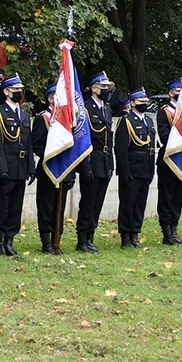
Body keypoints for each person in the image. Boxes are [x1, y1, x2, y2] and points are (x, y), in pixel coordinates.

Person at [0, 74, 35, 256]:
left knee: (16, 206)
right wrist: (1, 168)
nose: (19, 93)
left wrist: (31, 167)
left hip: (21, 166)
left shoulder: (24, 115)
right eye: (15, 90)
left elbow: (28, 143)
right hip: (6, 165)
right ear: (6, 92)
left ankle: (10, 239)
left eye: (20, 90)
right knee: (1, 205)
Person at [32, 84, 74, 254]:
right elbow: (37, 145)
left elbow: (72, 148)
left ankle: (57, 239)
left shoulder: (68, 121)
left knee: (59, 207)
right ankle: (46, 242)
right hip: (48, 168)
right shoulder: (43, 119)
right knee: (46, 206)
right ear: (50, 99)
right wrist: (52, 156)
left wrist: (70, 172)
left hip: (63, 170)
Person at [76, 71, 114, 253]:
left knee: (97, 202)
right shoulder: (85, 109)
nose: (107, 89)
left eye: (107, 87)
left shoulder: (106, 108)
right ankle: (82, 239)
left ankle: (91, 236)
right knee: (88, 202)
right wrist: (85, 167)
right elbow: (82, 140)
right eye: (103, 87)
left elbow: (109, 138)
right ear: (94, 88)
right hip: (91, 162)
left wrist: (111, 163)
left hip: (105, 162)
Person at [114, 88, 156, 248]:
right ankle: (125, 236)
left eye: (145, 102)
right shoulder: (126, 121)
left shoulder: (149, 121)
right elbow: (121, 148)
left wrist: (152, 170)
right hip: (132, 169)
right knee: (128, 203)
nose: (143, 104)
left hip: (146, 168)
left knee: (140, 203)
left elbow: (151, 148)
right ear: (132, 103)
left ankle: (135, 233)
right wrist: (124, 172)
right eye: (140, 102)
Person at [156, 79, 182, 246]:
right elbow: (164, 137)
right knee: (167, 197)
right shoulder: (165, 112)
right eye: (177, 90)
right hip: (169, 160)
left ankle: (174, 230)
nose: (180, 92)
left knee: (178, 197)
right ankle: (166, 232)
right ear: (170, 93)